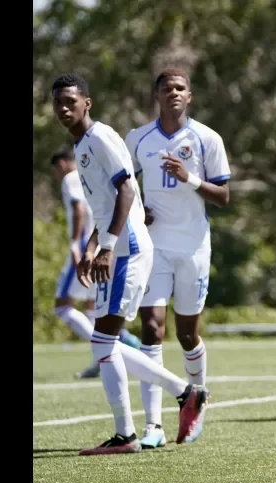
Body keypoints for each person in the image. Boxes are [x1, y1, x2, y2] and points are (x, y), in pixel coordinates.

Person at [51, 72, 210, 455]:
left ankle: (130, 433)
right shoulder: (82, 147)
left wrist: (105, 246)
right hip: (115, 247)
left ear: (87, 103)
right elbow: (103, 207)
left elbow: (127, 188)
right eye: (58, 102)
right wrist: (92, 246)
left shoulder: (101, 136)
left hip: (128, 248)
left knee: (104, 341)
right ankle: (182, 394)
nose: (63, 108)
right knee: (103, 341)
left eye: (71, 101)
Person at [125, 67, 230, 449]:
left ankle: (197, 399)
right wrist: (138, 210)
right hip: (152, 248)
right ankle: (153, 424)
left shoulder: (206, 138)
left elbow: (223, 197)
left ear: (190, 96)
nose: (173, 92)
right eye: (166, 87)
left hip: (193, 248)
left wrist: (188, 178)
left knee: (187, 334)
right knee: (151, 329)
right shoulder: (137, 138)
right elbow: (122, 183)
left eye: (180, 87)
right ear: (156, 95)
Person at [51, 146, 143, 380]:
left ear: (61, 164)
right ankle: (104, 357)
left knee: (63, 306)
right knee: (93, 307)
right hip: (100, 240)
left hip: (85, 246)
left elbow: (78, 208)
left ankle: (113, 344)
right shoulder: (87, 174)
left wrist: (75, 244)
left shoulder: (71, 178)